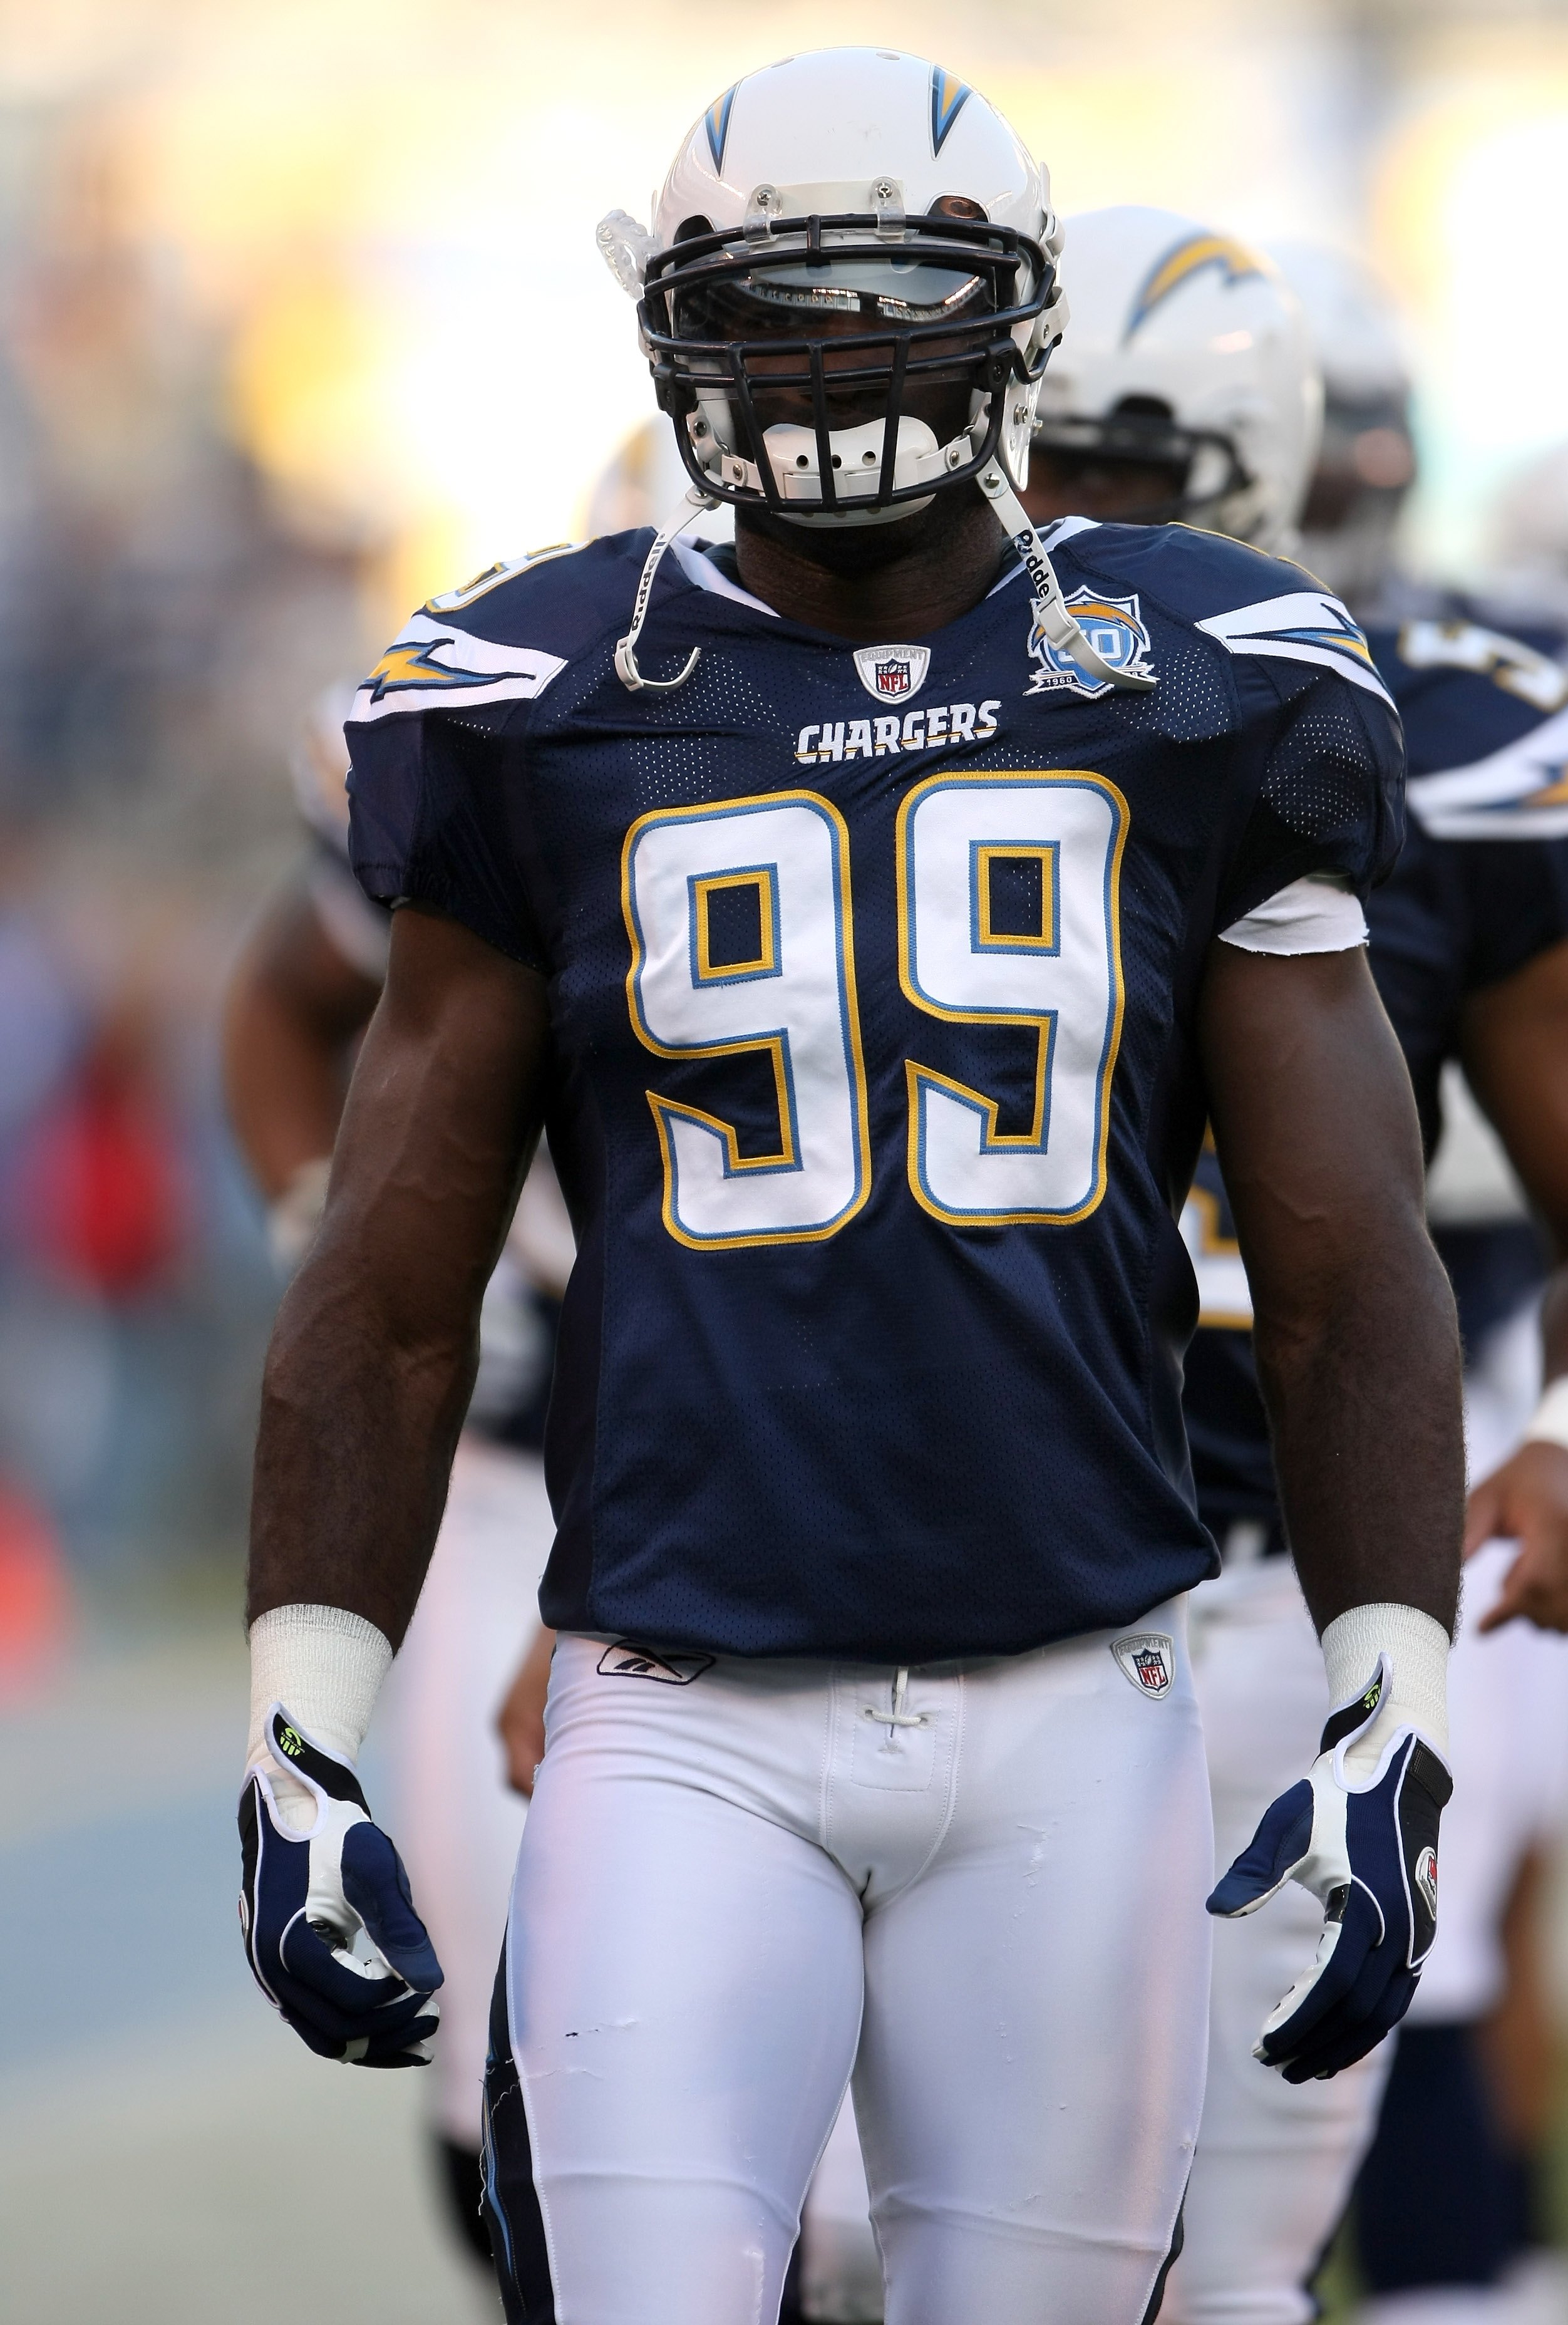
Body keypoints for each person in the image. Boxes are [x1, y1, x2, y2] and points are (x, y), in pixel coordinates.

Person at [236, 54, 1463, 2325]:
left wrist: (1392, 1690)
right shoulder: (541, 683)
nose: (836, 360)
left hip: (1086, 1697)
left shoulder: (1202, 672)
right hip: (676, 1704)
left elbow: (1337, 1256)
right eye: (777, 305)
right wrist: (302, 1722)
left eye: (895, 294)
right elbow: (394, 1282)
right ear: (672, 326)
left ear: (1014, 317)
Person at [1018, 207, 1568, 2325]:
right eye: (1043, 459)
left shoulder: (1456, 736)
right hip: (932, 1559)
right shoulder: (839, 705)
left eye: (1121, 473)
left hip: (1296, 1538)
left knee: (1241, 2235)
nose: (1064, 519)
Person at [223, 686, 572, 2265]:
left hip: (808, 1459)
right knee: (483, 1996)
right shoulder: (513, 747)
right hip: (511, 1472)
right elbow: (286, 989)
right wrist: (321, 1228)